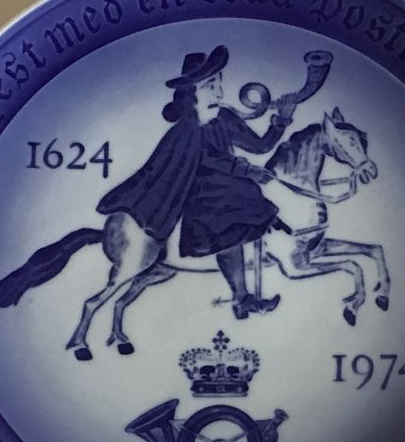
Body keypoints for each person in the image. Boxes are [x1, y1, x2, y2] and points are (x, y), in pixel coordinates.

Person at [97, 45, 297, 317]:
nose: (220, 94)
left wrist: (281, 121)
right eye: (211, 87)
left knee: (241, 208)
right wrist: (244, 168)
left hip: (227, 187)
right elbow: (204, 158)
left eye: (219, 85)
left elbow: (260, 146)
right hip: (199, 193)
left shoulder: (224, 118)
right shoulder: (187, 128)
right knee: (235, 207)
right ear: (193, 93)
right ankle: (241, 296)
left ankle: (242, 298)